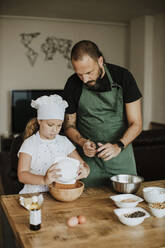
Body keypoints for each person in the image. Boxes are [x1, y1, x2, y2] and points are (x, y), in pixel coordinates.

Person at [63, 40, 142, 187]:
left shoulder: (123, 77)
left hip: (121, 155)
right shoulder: (73, 84)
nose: (85, 79)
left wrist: (118, 145)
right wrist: (83, 142)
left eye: (88, 72)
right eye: (80, 74)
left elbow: (136, 124)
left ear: (100, 61)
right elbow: (68, 125)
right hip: (88, 161)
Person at [17, 94, 90, 194]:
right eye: (50, 125)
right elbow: (22, 175)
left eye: (59, 125)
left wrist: (85, 171)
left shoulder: (64, 141)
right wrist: (44, 180)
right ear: (39, 121)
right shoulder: (30, 143)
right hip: (35, 194)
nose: (55, 130)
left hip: (61, 192)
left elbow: (84, 165)